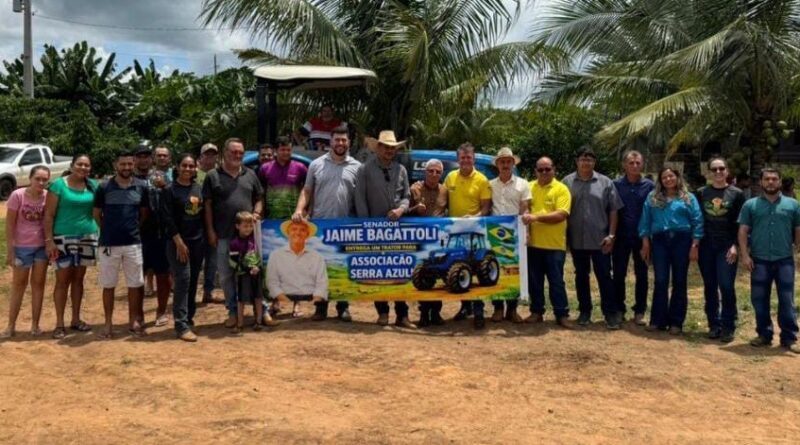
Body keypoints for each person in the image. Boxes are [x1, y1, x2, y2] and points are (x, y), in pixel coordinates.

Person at [204, 138, 274, 328]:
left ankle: (263, 310)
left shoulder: (251, 174)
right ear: (224, 153)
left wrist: (257, 212)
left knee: (255, 273)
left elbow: (259, 198)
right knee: (226, 276)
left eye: (240, 153)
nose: (237, 156)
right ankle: (233, 311)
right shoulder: (212, 176)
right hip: (224, 235)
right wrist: (210, 230)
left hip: (250, 238)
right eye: (233, 152)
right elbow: (208, 205)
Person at [292, 128, 360, 322]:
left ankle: (343, 307)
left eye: (343, 140)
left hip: (347, 226)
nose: (340, 143)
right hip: (320, 226)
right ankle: (320, 307)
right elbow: (306, 190)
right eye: (337, 140)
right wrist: (299, 210)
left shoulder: (357, 166)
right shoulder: (316, 165)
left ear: (349, 143)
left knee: (343, 268)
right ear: (330, 142)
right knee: (320, 269)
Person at [354, 130, 414, 328]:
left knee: (399, 271)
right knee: (378, 272)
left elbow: (406, 196)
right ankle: (382, 312)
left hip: (398, 229)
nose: (389, 151)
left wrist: (401, 209)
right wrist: (366, 226)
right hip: (374, 228)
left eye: (392, 148)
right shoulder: (364, 169)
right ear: (378, 148)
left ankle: (402, 315)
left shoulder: (401, 170)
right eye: (386, 147)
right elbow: (360, 199)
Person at [738, 168, 800, 353]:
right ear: (761, 182)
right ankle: (764, 334)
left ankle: (789, 338)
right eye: (767, 179)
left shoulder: (793, 205)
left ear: (780, 182)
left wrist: (798, 251)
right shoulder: (751, 205)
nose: (771, 182)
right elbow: (743, 231)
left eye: (774, 179)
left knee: (787, 299)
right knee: (759, 299)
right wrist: (745, 255)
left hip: (784, 260)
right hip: (759, 260)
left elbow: (798, 229)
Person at [562, 146, 624, 329]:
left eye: (589, 159)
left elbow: (614, 210)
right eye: (582, 158)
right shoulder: (566, 182)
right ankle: (584, 311)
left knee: (604, 276)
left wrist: (611, 235)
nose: (585, 162)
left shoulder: (605, 182)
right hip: (576, 238)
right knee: (581, 276)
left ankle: (610, 313)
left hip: (600, 239)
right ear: (577, 161)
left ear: (594, 162)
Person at [639, 167, 704, 335]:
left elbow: (697, 221)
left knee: (679, 280)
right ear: (660, 180)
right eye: (664, 177)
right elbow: (645, 220)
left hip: (682, 240)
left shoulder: (689, 198)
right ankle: (657, 321)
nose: (668, 179)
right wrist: (646, 242)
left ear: (677, 177)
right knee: (660, 280)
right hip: (660, 241)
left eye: (671, 176)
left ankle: (676, 322)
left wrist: (695, 245)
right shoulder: (652, 198)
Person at [93, 152, 150, 338]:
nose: (126, 167)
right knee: (108, 284)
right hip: (109, 244)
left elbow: (143, 214)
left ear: (133, 164)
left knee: (134, 284)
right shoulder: (103, 187)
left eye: (129, 164)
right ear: (115, 164)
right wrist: (108, 230)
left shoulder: (141, 187)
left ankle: (133, 320)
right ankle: (108, 323)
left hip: (133, 243)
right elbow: (96, 214)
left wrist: (131, 230)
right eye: (122, 164)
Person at [44, 154, 99, 339]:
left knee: (78, 279)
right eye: (80, 164)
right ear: (72, 165)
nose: (83, 168)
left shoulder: (93, 185)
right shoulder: (59, 185)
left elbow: (98, 211)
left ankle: (75, 319)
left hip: (87, 236)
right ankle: (59, 324)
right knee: (62, 281)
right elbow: (49, 215)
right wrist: (49, 240)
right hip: (62, 238)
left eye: (86, 165)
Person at [258, 136, 309, 317]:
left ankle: (297, 304)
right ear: (275, 150)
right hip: (271, 225)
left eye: (288, 149)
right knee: (275, 266)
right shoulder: (264, 169)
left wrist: (304, 212)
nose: (285, 153)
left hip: (293, 224)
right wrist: (260, 214)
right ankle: (275, 302)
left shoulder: (300, 168)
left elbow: (307, 190)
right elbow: (260, 193)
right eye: (282, 149)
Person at [696, 157, 745, 343]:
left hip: (727, 247)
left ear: (727, 170)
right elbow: (697, 219)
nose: (718, 172)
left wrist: (736, 246)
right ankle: (713, 324)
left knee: (726, 286)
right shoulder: (701, 193)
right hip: (706, 247)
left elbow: (741, 223)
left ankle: (728, 326)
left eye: (721, 168)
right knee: (709, 286)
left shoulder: (737, 194)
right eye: (714, 169)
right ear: (708, 172)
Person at [522, 157, 574, 329]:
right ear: (535, 171)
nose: (544, 172)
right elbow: (524, 210)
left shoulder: (561, 189)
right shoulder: (528, 187)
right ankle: (536, 312)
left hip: (554, 246)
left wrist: (536, 217)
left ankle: (562, 314)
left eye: (547, 169)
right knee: (535, 281)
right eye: (540, 169)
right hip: (533, 244)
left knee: (556, 282)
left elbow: (561, 215)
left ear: (554, 169)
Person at [444, 142, 491, 329]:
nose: (465, 160)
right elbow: (442, 201)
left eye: (469, 157)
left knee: (476, 268)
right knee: (459, 268)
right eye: (462, 157)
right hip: (456, 231)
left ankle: (479, 311)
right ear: (458, 159)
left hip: (475, 230)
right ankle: (465, 307)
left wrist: (474, 217)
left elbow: (486, 207)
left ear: (474, 159)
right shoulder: (450, 178)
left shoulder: (482, 180)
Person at [2, 166, 50, 338]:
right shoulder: (18, 195)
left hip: (41, 248)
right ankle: (10, 325)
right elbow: (9, 224)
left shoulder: (48, 196)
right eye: (38, 178)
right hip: (22, 247)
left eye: (45, 179)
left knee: (38, 285)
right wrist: (10, 250)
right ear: (30, 178)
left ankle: (35, 325)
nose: (41, 182)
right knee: (19, 286)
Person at [162, 153, 205, 342]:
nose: (188, 169)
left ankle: (188, 317)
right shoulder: (169, 190)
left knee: (194, 279)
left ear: (196, 168)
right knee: (183, 279)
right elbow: (166, 218)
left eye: (191, 166)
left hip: (198, 242)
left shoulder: (198, 188)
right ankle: (180, 324)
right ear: (177, 167)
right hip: (177, 243)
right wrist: (178, 241)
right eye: (184, 165)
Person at [488, 147, 530, 324]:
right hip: (494, 232)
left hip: (515, 233)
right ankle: (498, 308)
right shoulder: (490, 185)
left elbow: (525, 208)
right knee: (495, 270)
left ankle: (512, 310)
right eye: (502, 162)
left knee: (514, 271)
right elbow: (487, 207)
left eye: (508, 161)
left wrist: (526, 232)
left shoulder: (523, 184)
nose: (505, 164)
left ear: (513, 164)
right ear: (497, 165)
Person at [612, 150, 655, 326]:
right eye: (631, 163)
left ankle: (639, 311)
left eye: (638, 163)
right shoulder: (615, 185)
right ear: (624, 165)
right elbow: (612, 210)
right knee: (619, 274)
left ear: (642, 164)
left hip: (642, 237)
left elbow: (653, 212)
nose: (635, 166)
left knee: (642, 274)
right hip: (621, 236)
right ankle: (619, 309)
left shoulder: (650, 186)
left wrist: (648, 239)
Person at [409, 159, 448, 327]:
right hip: (420, 240)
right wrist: (415, 209)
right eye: (431, 171)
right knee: (424, 275)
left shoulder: (445, 190)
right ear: (425, 172)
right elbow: (405, 211)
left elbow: (450, 212)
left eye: (437, 172)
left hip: (439, 239)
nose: (434, 174)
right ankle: (424, 313)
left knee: (439, 274)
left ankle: (436, 312)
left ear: (441, 174)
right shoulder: (415, 189)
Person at [140, 145, 173, 327]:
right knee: (138, 275)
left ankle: (161, 312)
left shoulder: (169, 177)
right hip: (140, 233)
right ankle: (137, 315)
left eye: (164, 155)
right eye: (157, 155)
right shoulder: (136, 180)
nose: (160, 158)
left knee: (163, 273)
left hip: (163, 232)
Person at [267, 220, 328, 311]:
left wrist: (313, 304)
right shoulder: (275, 255)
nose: (298, 233)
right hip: (284, 297)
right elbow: (272, 283)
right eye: (294, 229)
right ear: (288, 233)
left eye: (302, 230)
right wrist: (286, 302)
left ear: (307, 235)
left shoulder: (317, 257)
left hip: (311, 298)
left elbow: (322, 283)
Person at [229, 211, 265, 332]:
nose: (248, 229)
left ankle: (258, 322)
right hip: (243, 275)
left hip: (256, 273)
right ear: (237, 226)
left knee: (258, 297)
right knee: (241, 299)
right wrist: (247, 269)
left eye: (250, 226)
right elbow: (233, 262)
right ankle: (239, 324)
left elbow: (259, 254)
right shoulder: (234, 243)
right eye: (245, 226)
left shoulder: (254, 239)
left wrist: (258, 267)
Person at [197, 142, 221, 303]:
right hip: (196, 224)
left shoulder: (220, 175)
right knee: (195, 259)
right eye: (207, 154)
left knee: (212, 260)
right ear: (201, 157)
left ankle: (208, 291)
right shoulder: (194, 174)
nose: (210, 157)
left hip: (214, 223)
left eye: (213, 154)